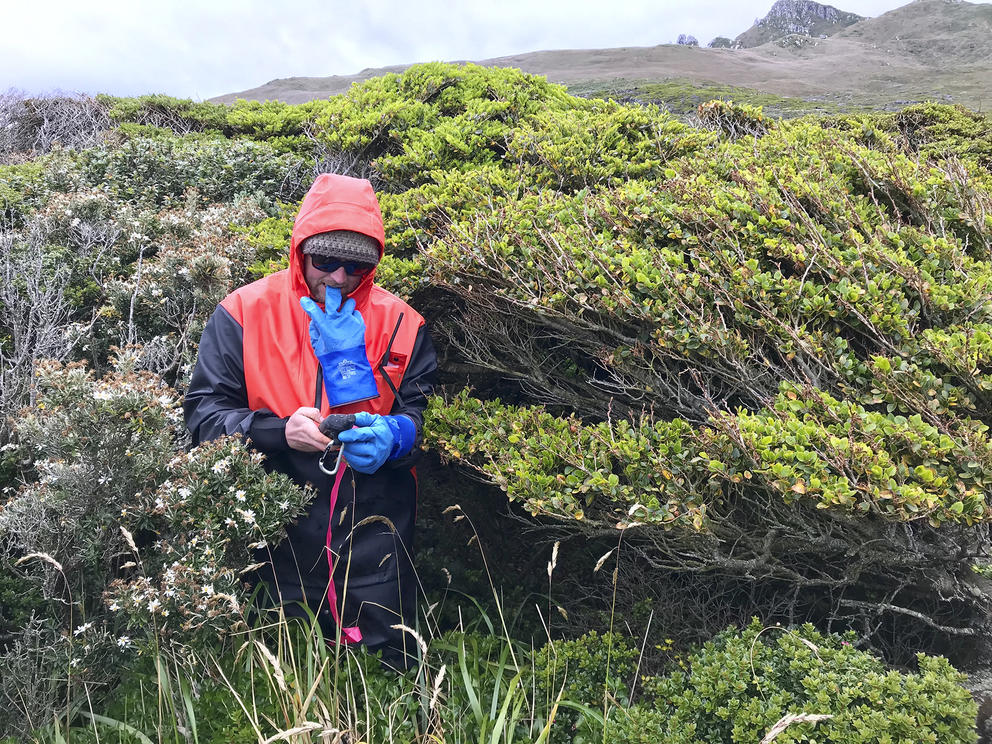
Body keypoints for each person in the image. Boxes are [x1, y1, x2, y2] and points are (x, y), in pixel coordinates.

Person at [183, 173, 437, 668]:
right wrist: (279, 432)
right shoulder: (243, 311)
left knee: (389, 684)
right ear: (301, 251)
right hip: (274, 542)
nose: (339, 277)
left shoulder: (404, 322)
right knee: (279, 682)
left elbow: (425, 418)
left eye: (357, 265)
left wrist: (397, 436)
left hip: (377, 543)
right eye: (325, 261)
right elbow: (202, 416)